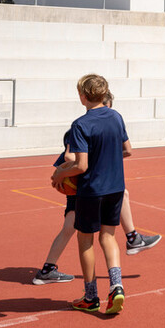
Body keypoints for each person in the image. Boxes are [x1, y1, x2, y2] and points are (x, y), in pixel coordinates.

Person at [35, 93, 160, 286]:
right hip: (80, 184)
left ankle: (47, 270)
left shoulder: (101, 123)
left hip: (87, 183)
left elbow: (126, 151)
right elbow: (69, 157)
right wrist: (64, 172)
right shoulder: (81, 126)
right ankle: (132, 238)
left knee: (70, 227)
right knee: (96, 225)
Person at [51, 74, 129, 314]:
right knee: (109, 237)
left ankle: (91, 296)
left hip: (92, 190)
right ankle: (116, 285)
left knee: (85, 240)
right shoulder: (116, 116)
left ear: (82, 96)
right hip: (116, 187)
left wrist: (60, 174)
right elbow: (127, 150)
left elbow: (81, 165)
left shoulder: (80, 124)